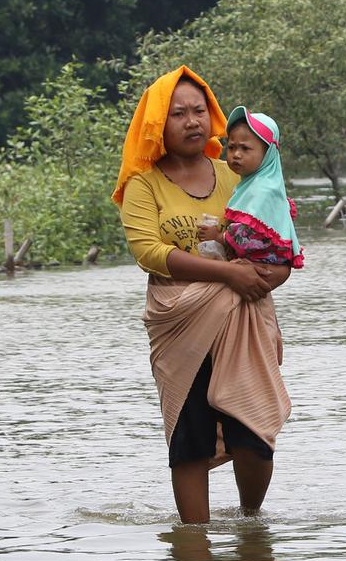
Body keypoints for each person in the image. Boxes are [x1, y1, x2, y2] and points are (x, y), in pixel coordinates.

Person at [115, 66, 292, 524]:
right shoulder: (144, 184)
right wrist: (226, 274)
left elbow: (275, 239)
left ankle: (251, 524)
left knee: (252, 432)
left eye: (199, 110)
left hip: (243, 317)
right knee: (189, 436)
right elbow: (149, 252)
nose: (192, 121)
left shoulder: (239, 172)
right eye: (178, 114)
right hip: (179, 323)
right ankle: (194, 551)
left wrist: (270, 275)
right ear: (158, 125)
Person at [197, 106, 304, 269]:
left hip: (263, 266)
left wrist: (219, 237)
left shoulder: (263, 189)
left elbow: (249, 233)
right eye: (232, 147)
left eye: (245, 148)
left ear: (267, 153)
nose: (236, 154)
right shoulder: (250, 184)